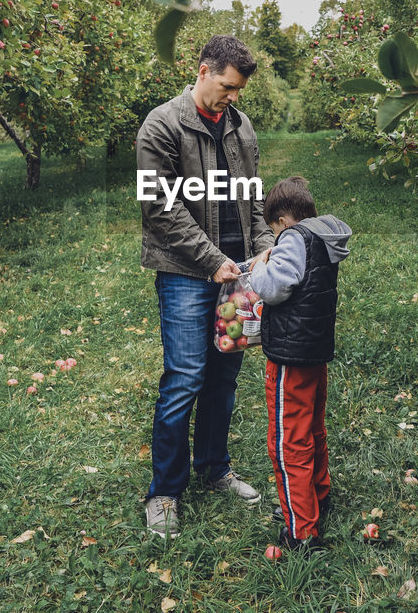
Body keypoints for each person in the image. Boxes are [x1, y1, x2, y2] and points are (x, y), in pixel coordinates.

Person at [136, 34, 275, 539]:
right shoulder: (163, 124)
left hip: (237, 270)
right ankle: (164, 493)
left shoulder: (241, 127)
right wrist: (212, 260)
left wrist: (262, 247)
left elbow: (253, 198)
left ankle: (215, 469)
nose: (233, 97)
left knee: (224, 374)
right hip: (187, 271)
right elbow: (159, 206)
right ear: (203, 70)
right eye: (227, 86)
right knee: (185, 376)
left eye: (239, 91)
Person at [247, 175, 351, 552]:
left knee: (287, 441)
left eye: (274, 229)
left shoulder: (293, 238)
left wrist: (261, 267)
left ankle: (301, 530)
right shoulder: (324, 235)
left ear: (284, 221)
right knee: (311, 428)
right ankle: (317, 496)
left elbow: (275, 287)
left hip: (290, 357)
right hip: (314, 351)